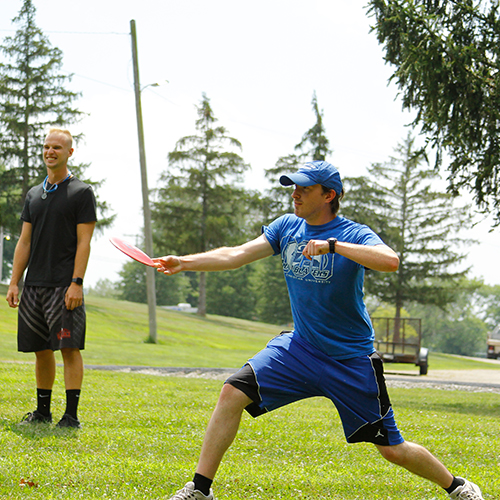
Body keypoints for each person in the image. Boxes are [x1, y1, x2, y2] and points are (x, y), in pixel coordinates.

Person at [155, 161, 484, 500]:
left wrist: (334, 246)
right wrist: (185, 262)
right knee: (232, 393)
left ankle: (457, 486)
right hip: (299, 350)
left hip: (350, 360)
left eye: (304, 188)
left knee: (392, 449)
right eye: (293, 187)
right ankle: (200, 489)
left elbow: (390, 261)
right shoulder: (287, 227)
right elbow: (237, 254)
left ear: (329, 195)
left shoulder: (353, 234)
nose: (295, 194)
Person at [6, 128, 97, 429]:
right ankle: (42, 411)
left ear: (70, 153)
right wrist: (14, 281)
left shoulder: (81, 193)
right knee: (40, 350)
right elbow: (25, 242)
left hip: (64, 285)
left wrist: (77, 283)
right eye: (46, 147)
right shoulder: (34, 194)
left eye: (57, 147)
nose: (50, 152)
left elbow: (84, 242)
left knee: (69, 349)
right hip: (34, 286)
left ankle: (71, 416)